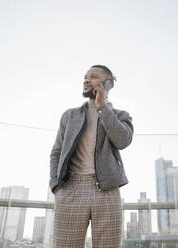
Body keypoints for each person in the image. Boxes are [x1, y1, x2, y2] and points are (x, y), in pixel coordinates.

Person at [49, 64, 133, 248]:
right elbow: (56, 151)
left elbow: (123, 141)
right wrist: (56, 185)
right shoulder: (69, 116)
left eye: (93, 76)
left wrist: (102, 106)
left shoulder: (120, 116)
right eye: (85, 77)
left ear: (108, 83)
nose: (87, 80)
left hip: (107, 190)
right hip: (70, 188)